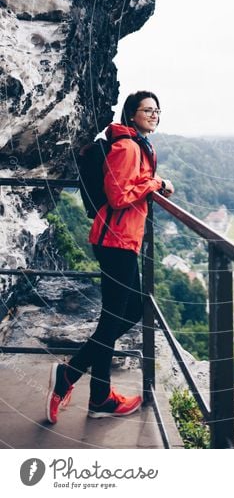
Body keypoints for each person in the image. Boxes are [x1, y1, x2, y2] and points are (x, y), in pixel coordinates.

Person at [45, 91, 175, 423]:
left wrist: (152, 183)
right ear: (131, 114)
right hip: (115, 241)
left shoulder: (139, 146)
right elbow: (119, 196)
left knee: (118, 316)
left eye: (157, 110)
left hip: (121, 240)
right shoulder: (127, 147)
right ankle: (70, 374)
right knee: (124, 314)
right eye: (147, 110)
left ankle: (99, 396)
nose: (154, 114)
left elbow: (133, 185)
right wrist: (154, 184)